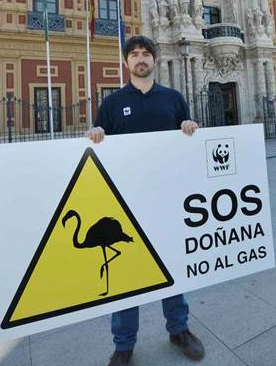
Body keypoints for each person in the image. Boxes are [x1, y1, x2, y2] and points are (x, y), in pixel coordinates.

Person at [87, 35, 204, 366]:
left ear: (155, 60)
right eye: (134, 54)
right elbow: (101, 144)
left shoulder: (173, 99)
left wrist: (189, 126)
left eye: (146, 54)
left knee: (170, 266)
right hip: (124, 202)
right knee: (126, 273)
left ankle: (179, 329)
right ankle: (123, 344)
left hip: (166, 198)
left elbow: (187, 139)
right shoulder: (111, 104)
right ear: (126, 63)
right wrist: (96, 135)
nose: (141, 59)